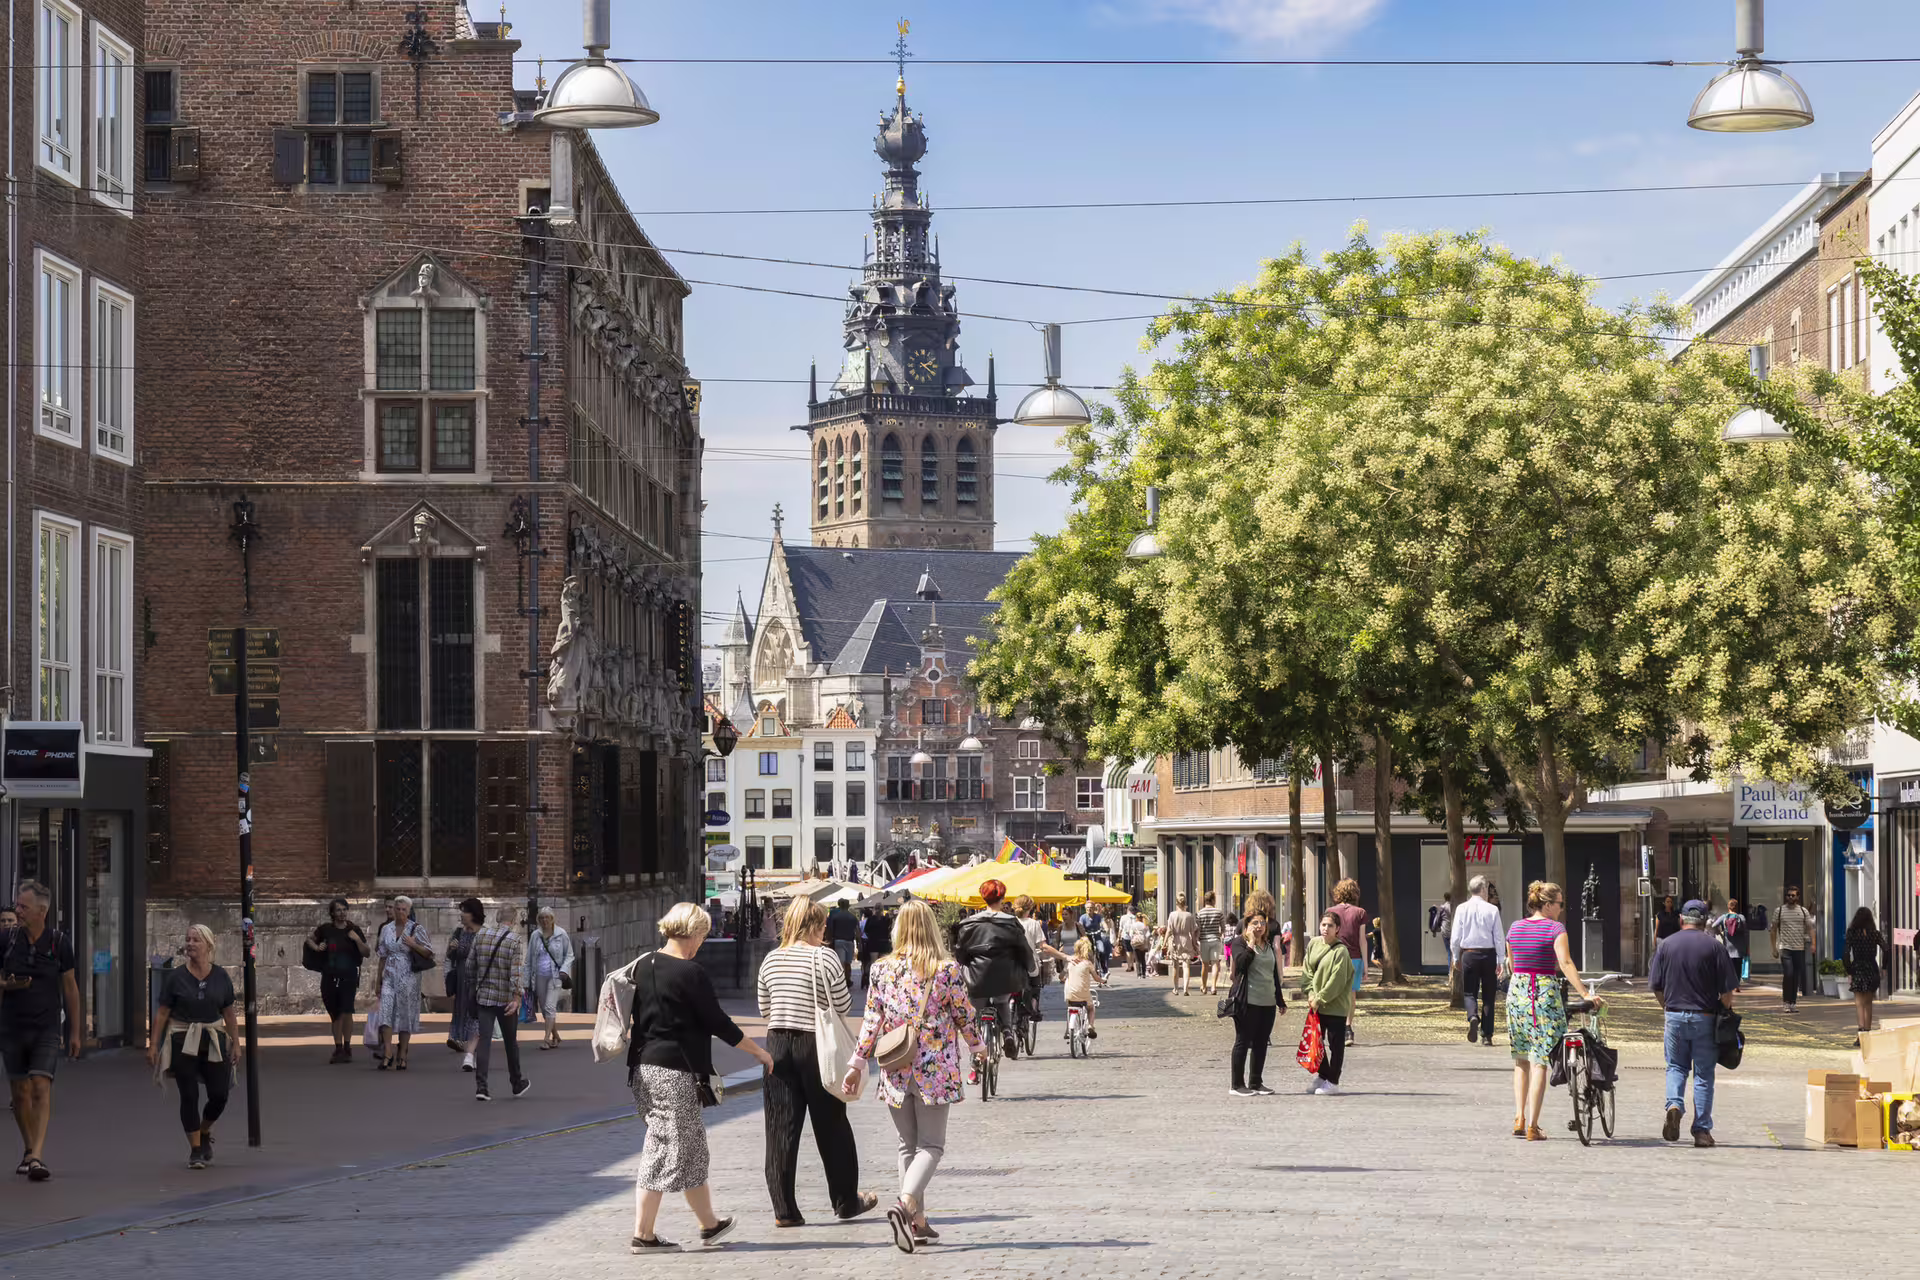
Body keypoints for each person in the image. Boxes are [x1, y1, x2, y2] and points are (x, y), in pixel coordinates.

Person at [627, 903, 775, 1252]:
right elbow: (718, 1022)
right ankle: (643, 1235)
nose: (702, 944)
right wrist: (758, 1052)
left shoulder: (642, 964)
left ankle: (709, 1224)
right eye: (703, 936)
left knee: (690, 1148)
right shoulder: (690, 972)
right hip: (675, 1072)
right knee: (663, 1151)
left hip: (644, 1068)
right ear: (692, 933)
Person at [845, 899, 985, 1254]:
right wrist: (978, 1046)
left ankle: (917, 1224)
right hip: (934, 1068)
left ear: (898, 929)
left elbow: (872, 1019)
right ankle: (906, 1204)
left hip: (895, 1065)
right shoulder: (946, 969)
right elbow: (964, 1015)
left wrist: (857, 1062)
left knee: (907, 1146)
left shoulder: (881, 969)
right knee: (931, 1146)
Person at [756, 900, 876, 1227]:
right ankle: (845, 1201)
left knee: (780, 1129)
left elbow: (764, 1008)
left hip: (777, 1045)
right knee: (832, 1124)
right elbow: (843, 1004)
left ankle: (784, 1210)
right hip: (816, 1045)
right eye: (823, 925)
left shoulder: (772, 959)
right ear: (814, 926)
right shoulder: (825, 957)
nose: (825, 930)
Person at [1506, 881, 1601, 1142]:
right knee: (1540, 1061)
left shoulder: (1515, 927)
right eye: (1559, 904)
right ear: (1548, 905)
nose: (1561, 909)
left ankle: (1519, 1117)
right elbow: (1565, 962)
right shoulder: (1555, 929)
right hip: (1542, 994)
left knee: (1521, 1059)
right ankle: (1533, 1126)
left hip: (1517, 995)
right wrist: (1585, 993)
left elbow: (1513, 964)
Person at [1, 881, 79, 1182]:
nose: (18, 911)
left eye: (24, 907)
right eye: (17, 905)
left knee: (40, 1086)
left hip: (46, 1026)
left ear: (42, 911)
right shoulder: (6, 939)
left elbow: (70, 988)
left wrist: (75, 1033)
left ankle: (36, 1156)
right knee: (20, 1094)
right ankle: (28, 1147)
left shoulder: (59, 943)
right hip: (11, 1026)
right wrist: (5, 984)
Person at [148, 925, 240, 1169]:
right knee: (189, 1095)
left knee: (219, 1094)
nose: (190, 944)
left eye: (196, 940)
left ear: (208, 945)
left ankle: (205, 1130)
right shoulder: (176, 977)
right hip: (182, 1040)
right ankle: (196, 1149)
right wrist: (153, 1044)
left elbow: (229, 1013)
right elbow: (162, 1012)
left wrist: (236, 1044)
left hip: (213, 1040)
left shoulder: (220, 976)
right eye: (188, 939)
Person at [1649, 899, 1737, 1147]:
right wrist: (1724, 1012)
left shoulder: (1666, 945)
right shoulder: (1715, 947)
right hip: (1705, 1017)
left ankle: (1674, 1105)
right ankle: (1701, 1131)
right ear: (1705, 921)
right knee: (1704, 1074)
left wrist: (1667, 1008)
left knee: (1676, 1067)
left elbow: (1656, 986)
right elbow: (1727, 991)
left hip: (1675, 1015)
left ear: (1681, 919)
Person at [952, 879, 1033, 1062]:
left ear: (983, 897)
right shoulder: (1011, 923)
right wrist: (1030, 969)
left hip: (976, 978)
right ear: (1003, 898)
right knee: (1002, 1001)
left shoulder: (968, 924)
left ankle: (977, 1053)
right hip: (1005, 977)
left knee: (977, 1010)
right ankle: (1008, 1032)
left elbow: (960, 953)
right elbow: (1024, 951)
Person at [464, 900, 531, 1102]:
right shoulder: (515, 940)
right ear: (514, 920)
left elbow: (470, 966)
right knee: (510, 1042)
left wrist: (474, 986)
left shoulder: (481, 935)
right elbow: (516, 972)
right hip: (505, 999)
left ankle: (482, 1087)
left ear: (497, 918)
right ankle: (516, 1082)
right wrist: (517, 996)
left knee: (484, 1040)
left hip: (484, 997)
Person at [1227, 911, 1285, 1096]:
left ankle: (1255, 1082)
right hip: (1247, 1000)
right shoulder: (1239, 943)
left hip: (1267, 1001)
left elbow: (1273, 974)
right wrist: (1251, 943)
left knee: (1261, 1043)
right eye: (1255, 923)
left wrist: (1280, 1000)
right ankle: (1237, 1085)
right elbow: (1241, 964)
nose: (1259, 926)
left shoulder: (1268, 946)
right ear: (1247, 926)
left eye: (1262, 923)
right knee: (1243, 1041)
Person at [372, 895, 432, 1070]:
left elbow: (428, 952)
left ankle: (403, 1053)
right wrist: (378, 981)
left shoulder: (416, 928)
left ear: (409, 910)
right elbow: (382, 956)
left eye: (403, 909)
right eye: (397, 909)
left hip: (409, 977)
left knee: (405, 1014)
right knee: (385, 1012)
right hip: (389, 976)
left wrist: (413, 944)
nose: (400, 912)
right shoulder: (387, 929)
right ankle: (388, 1052)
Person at [308, 898, 369, 1063]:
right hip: (329, 976)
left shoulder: (353, 929)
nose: (342, 913)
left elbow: (366, 952)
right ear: (332, 913)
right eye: (338, 910)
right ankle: (338, 1047)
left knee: (346, 1011)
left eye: (344, 909)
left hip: (348, 976)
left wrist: (357, 939)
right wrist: (316, 947)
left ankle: (346, 1047)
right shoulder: (325, 930)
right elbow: (309, 939)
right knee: (335, 1013)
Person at [1449, 875, 1508, 1047]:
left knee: (1469, 992)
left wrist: (1455, 956)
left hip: (1469, 954)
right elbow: (1498, 937)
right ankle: (1487, 1035)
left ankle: (1473, 1016)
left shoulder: (1461, 908)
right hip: (1488, 955)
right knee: (1489, 996)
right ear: (1483, 890)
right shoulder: (1492, 910)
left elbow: (1455, 936)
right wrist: (1501, 960)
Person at [1302, 912, 1353, 1095]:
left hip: (1335, 1006)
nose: (1326, 928)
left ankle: (1333, 1081)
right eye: (1323, 924)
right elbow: (1307, 971)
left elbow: (1337, 980)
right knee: (1316, 1042)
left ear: (1337, 929)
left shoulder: (1341, 951)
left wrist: (1320, 998)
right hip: (1316, 1004)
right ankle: (1323, 1074)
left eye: (1330, 925)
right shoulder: (1314, 944)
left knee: (1335, 1045)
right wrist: (1310, 993)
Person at [1013, 895, 1069, 1034]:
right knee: (1035, 988)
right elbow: (1043, 947)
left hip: (1011, 966)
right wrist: (1063, 956)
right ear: (1030, 908)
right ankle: (1034, 1010)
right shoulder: (1033, 924)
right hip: (1029, 965)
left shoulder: (1009, 922)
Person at [1327, 879, 1369, 1045]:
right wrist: (1366, 964)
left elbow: (1326, 936)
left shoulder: (1330, 911)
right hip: (1354, 957)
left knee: (1334, 991)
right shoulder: (1360, 913)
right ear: (1355, 893)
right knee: (1351, 994)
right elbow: (1362, 940)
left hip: (1334, 956)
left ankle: (1334, 1026)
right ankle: (1348, 1028)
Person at [445, 900, 482, 1071]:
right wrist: (452, 949)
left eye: (464, 911)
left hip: (478, 977)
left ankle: (472, 1049)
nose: (461, 915)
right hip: (461, 976)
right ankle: (464, 1043)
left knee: (475, 1011)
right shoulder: (459, 932)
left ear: (473, 914)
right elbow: (450, 956)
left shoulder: (483, 932)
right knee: (462, 1008)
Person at [531, 907, 575, 1051]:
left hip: (555, 975)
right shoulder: (535, 935)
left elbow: (569, 955)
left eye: (547, 918)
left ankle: (546, 1039)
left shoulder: (561, 934)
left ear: (552, 919)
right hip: (540, 975)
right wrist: (526, 981)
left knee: (550, 1007)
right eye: (542, 918)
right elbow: (529, 959)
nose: (544, 920)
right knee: (544, 1008)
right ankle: (556, 1035)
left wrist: (564, 970)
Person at [1770, 886, 1818, 1013]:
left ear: (1798, 897)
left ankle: (1793, 1002)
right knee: (1788, 974)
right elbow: (1773, 930)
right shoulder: (1779, 911)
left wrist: (1813, 944)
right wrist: (1774, 948)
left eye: (1793, 895)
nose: (1790, 897)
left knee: (1796, 976)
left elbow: (1810, 928)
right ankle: (1786, 1002)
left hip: (1799, 948)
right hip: (1785, 948)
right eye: (1788, 895)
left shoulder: (1803, 911)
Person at [1844, 907, 1887, 1046]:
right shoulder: (1875, 934)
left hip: (1857, 967)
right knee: (1868, 1003)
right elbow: (1886, 949)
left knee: (1859, 1003)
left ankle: (1861, 1033)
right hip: (1871, 968)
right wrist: (1884, 967)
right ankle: (1868, 1033)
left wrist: (1849, 970)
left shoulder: (1852, 933)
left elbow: (1845, 953)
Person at [1064, 937, 1107, 1042]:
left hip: (1071, 993)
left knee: (1070, 1007)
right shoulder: (1088, 963)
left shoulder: (1070, 962)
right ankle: (1091, 1026)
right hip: (1083, 994)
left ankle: (1068, 1029)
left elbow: (1061, 976)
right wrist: (1103, 981)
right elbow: (1096, 978)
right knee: (1091, 1008)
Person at [1165, 893, 1199, 996]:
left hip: (1175, 940)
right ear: (1185, 903)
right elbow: (1193, 932)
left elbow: (1169, 930)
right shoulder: (1189, 915)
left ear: (1176, 903)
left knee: (1175, 966)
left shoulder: (1172, 915)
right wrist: (1195, 944)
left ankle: (1175, 988)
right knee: (1186, 965)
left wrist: (1165, 942)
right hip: (1186, 940)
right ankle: (1185, 989)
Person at [1196, 892, 1226, 996]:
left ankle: (1204, 987)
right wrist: (1219, 934)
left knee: (1204, 964)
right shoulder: (1219, 912)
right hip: (1215, 940)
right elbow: (1223, 928)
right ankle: (1213, 986)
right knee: (1215, 963)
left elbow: (1198, 928)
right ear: (1213, 900)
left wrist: (1198, 938)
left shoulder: (1200, 913)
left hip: (1204, 941)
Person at [1716, 898, 1750, 988]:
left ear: (1728, 907)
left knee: (1729, 967)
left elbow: (1713, 925)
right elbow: (1746, 933)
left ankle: (1730, 984)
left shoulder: (1724, 917)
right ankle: (1737, 985)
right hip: (1739, 948)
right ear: (1737, 907)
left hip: (1727, 947)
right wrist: (1747, 946)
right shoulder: (1741, 917)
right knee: (1738, 967)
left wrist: (1720, 933)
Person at [826, 898, 860, 984]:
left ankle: (842, 981)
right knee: (848, 963)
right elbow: (857, 931)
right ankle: (848, 979)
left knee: (841, 963)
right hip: (850, 941)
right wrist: (859, 942)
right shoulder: (853, 917)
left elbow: (830, 930)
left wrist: (829, 941)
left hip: (838, 941)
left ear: (840, 906)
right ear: (848, 906)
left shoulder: (835, 916)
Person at [864, 907, 894, 989]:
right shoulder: (885, 919)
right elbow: (890, 930)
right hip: (882, 942)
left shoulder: (871, 919)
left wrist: (871, 936)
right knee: (882, 963)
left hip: (874, 942)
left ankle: (874, 981)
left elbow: (866, 930)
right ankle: (881, 980)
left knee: (874, 963)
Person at [1077, 904, 1110, 977]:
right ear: (1085, 909)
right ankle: (1086, 969)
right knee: (1087, 953)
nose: (1089, 909)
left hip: (1097, 937)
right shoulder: (1083, 917)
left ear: (1094, 909)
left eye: (1091, 908)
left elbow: (1103, 922)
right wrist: (1082, 932)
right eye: (1088, 908)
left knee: (1102, 950)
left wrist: (1106, 928)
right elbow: (1080, 926)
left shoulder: (1098, 916)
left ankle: (1104, 970)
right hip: (1087, 937)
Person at [1126, 909, 1151, 978]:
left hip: (1136, 943)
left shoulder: (1133, 925)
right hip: (1143, 943)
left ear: (1136, 918)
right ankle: (1143, 974)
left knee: (1137, 959)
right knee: (1143, 958)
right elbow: (1148, 935)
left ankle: (1138, 974)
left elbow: (1130, 934)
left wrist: (1134, 938)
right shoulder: (1145, 925)